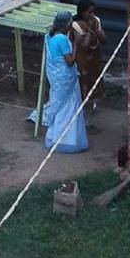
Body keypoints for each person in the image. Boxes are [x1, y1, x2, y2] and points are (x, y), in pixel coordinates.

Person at [39, 13, 89, 154]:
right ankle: (67, 140)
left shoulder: (49, 36)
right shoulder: (61, 39)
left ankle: (54, 137)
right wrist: (76, 45)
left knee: (59, 106)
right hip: (65, 79)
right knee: (68, 109)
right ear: (66, 25)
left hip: (56, 79)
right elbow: (69, 61)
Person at [70, 0, 107, 109]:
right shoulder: (75, 25)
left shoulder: (96, 21)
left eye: (93, 12)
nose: (92, 15)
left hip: (95, 58)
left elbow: (104, 40)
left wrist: (96, 29)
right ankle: (81, 105)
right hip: (82, 59)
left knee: (95, 78)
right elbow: (85, 46)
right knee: (83, 80)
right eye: (89, 13)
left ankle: (94, 102)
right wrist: (90, 31)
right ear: (82, 13)